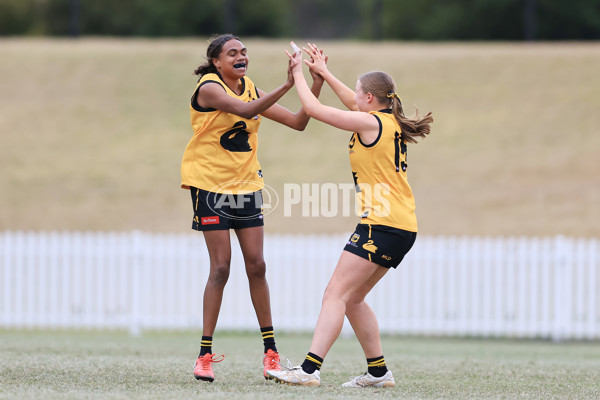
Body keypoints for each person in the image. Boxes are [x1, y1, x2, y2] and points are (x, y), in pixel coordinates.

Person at [267, 43, 433, 388]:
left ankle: (308, 370)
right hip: (401, 225)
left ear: (370, 99)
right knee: (353, 298)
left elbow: (311, 108)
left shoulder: (370, 123)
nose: (355, 97)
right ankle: (378, 372)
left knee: (335, 294)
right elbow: (350, 102)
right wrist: (325, 74)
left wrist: (297, 72)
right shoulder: (386, 120)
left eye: (359, 93)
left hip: (382, 222)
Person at [181, 34, 324, 383]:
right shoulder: (209, 87)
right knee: (221, 268)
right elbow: (245, 110)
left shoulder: (251, 87)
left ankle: (271, 353)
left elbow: (298, 121)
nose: (241, 56)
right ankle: (204, 355)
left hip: (246, 188)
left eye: (244, 52)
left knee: (257, 266)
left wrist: (314, 82)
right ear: (216, 61)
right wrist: (290, 82)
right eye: (233, 53)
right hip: (210, 187)